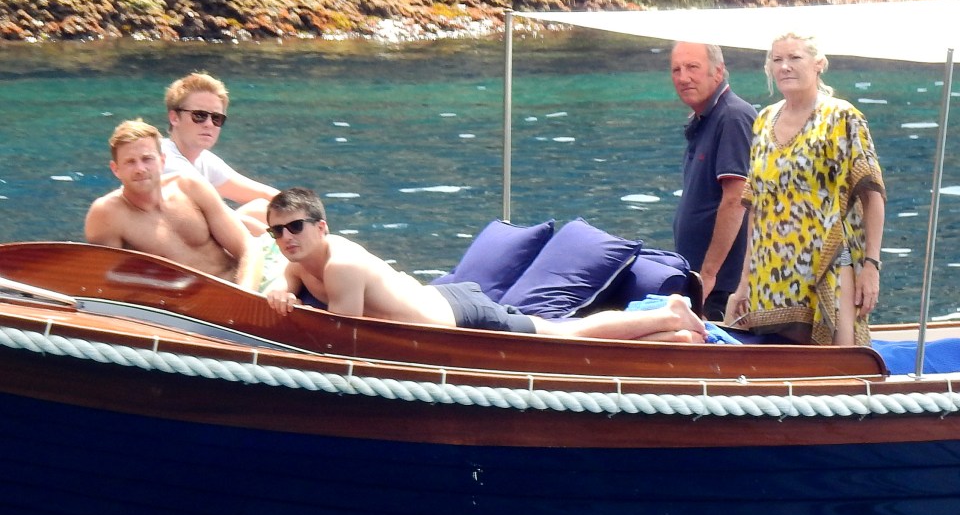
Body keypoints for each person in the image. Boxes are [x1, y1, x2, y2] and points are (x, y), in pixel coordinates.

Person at [263, 187, 708, 343]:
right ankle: (670, 331)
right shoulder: (302, 259)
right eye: (276, 232)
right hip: (443, 301)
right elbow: (293, 274)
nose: (285, 239)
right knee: (558, 333)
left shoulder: (340, 265)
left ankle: (666, 313)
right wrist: (282, 286)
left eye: (295, 228)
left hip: (461, 320)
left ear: (321, 227)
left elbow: (342, 344)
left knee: (565, 334)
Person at [726, 33, 886, 346]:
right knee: (781, 364)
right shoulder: (762, 121)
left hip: (827, 264)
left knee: (841, 365)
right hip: (770, 271)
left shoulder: (842, 117)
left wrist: (871, 266)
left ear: (818, 64)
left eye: (794, 58)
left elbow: (872, 194)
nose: (785, 66)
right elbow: (756, 209)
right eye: (777, 60)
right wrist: (743, 282)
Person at [85, 119, 262, 290]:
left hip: (245, 283)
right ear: (116, 169)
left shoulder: (189, 187)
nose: (140, 168)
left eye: (147, 159)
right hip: (188, 308)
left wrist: (245, 297)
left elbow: (248, 247)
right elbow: (106, 286)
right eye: (130, 162)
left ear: (162, 161)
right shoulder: (107, 214)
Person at [670, 42, 757, 321]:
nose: (684, 77)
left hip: (721, 285)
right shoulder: (704, 118)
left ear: (718, 72)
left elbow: (736, 200)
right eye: (676, 69)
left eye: (693, 67)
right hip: (701, 280)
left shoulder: (732, 116)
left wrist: (708, 275)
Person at [163, 72, 279, 234]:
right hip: (172, 250)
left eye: (216, 118)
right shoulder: (164, 160)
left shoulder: (203, 160)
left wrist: (311, 219)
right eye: (199, 116)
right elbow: (223, 218)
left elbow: (266, 195)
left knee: (263, 208)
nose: (209, 124)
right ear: (174, 118)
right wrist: (277, 239)